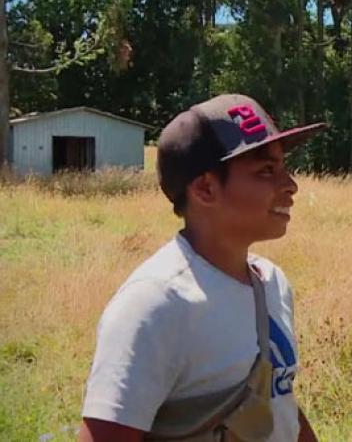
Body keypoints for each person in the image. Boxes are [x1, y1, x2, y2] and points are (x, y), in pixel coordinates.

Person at [79, 94, 327, 441]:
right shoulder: (154, 305)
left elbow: (275, 400)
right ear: (206, 188)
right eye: (266, 170)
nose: (290, 185)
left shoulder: (272, 282)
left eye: (284, 168)